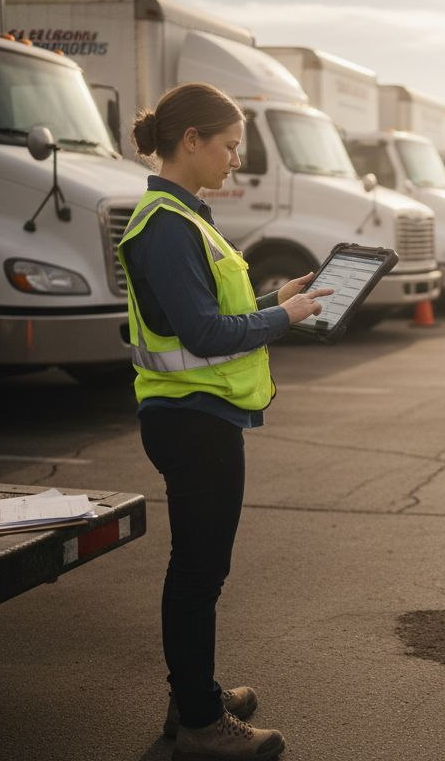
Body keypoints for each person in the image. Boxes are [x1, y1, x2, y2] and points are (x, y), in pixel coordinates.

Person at [117, 82, 332, 761]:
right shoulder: (167, 225)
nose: (236, 159)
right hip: (191, 421)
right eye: (231, 146)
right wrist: (285, 318)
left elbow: (208, 314)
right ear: (192, 142)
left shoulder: (183, 217)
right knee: (197, 573)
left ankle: (196, 696)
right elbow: (207, 334)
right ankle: (203, 724)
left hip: (196, 416)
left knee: (201, 569)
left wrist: (278, 297)